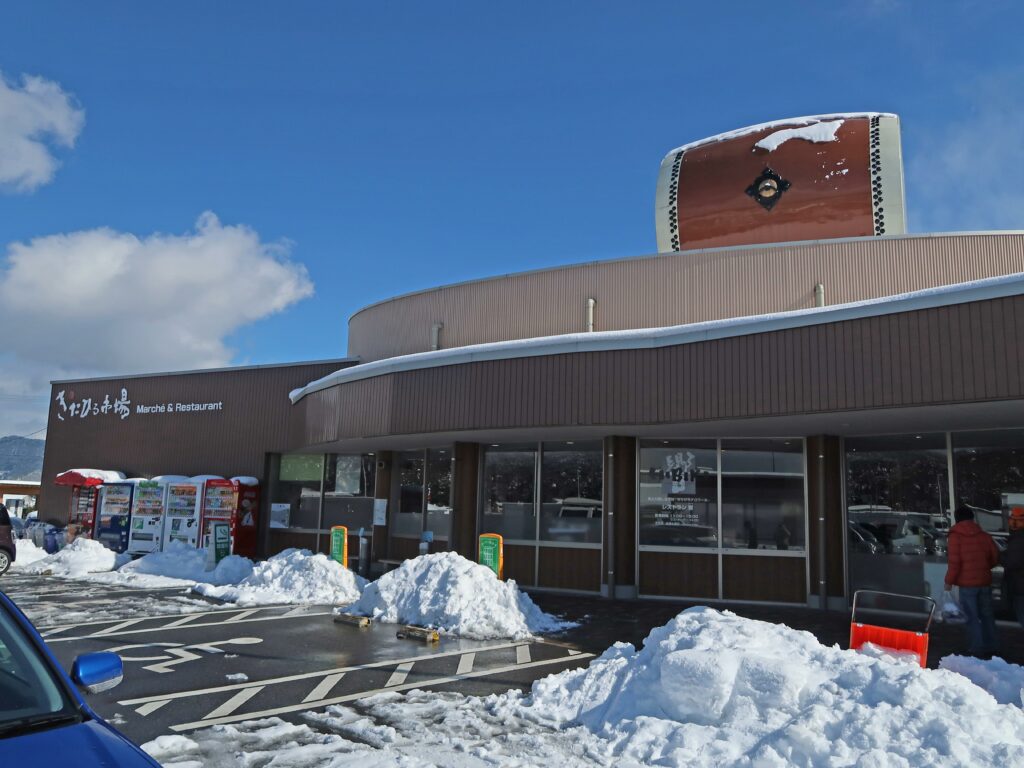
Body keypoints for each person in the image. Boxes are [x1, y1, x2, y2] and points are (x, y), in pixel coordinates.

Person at [944, 505, 999, 657]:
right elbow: (994, 557)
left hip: (967, 585)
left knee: (972, 617)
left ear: (957, 519)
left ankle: (976, 648)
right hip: (984, 581)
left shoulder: (955, 536)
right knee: (987, 616)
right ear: (972, 518)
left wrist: (949, 582)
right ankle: (992, 646)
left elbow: (954, 563)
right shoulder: (984, 535)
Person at [1001, 506, 1024, 628]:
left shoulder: (1018, 540)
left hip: (1019, 586)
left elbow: (1012, 562)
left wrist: (1001, 556)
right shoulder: (1017, 539)